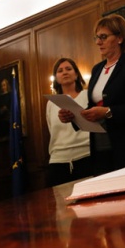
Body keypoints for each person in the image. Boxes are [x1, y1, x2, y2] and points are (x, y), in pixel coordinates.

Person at [58, 14, 125, 174]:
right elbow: (93, 107)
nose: (98, 42)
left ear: (120, 38)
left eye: (103, 37)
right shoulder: (96, 69)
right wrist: (73, 116)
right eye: (96, 37)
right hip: (100, 145)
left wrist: (109, 112)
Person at [46, 58, 93, 186]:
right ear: (56, 77)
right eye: (60, 71)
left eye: (68, 69)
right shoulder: (51, 103)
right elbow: (52, 131)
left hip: (86, 156)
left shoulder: (88, 95)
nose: (64, 72)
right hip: (58, 161)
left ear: (76, 74)